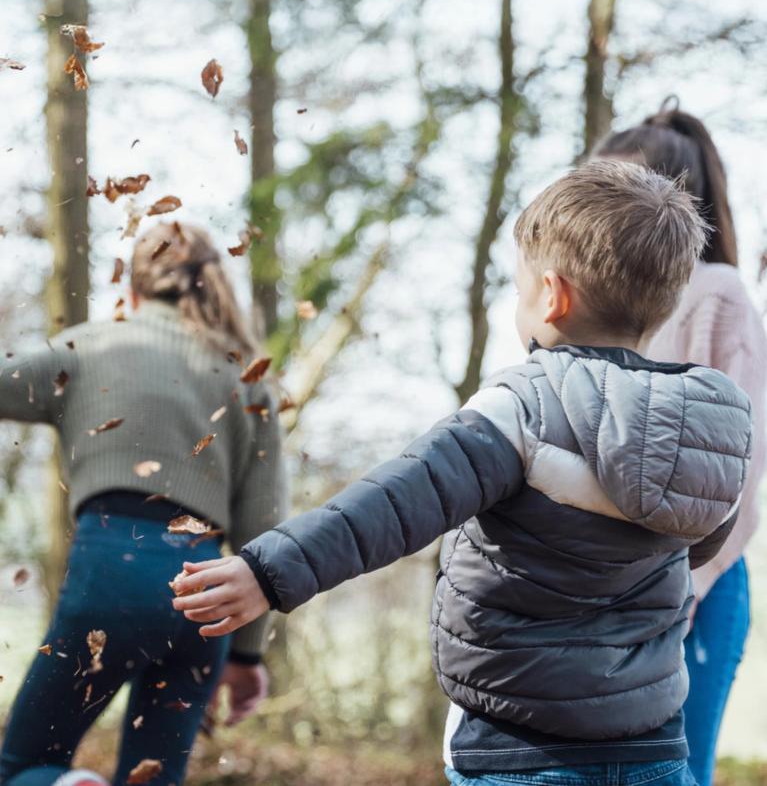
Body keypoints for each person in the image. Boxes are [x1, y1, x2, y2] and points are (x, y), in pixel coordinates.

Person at [173, 161, 752, 786]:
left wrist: (267, 572)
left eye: (520, 288)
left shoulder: (524, 407)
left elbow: (395, 503)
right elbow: (700, 544)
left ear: (552, 295)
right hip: (653, 752)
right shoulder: (710, 427)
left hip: (519, 751)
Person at [0, 223, 283, 786]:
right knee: (153, 777)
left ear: (131, 289)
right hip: (206, 593)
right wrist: (247, 654)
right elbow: (264, 521)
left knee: (25, 766)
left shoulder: (91, 345)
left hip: (110, 568)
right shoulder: (246, 373)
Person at [593, 106, 767, 786]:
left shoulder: (714, 294)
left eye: (616, 187)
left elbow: (738, 468)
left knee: (675, 775)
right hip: (610, 591)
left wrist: (683, 588)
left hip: (695, 588)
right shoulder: (598, 304)